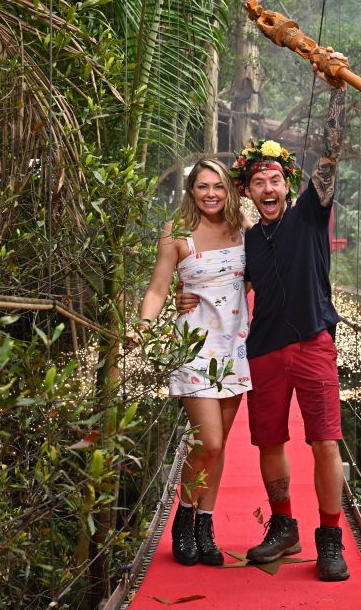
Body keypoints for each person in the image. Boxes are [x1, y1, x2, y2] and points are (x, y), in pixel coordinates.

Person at [178, 50, 350, 581]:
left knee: (324, 441)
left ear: (286, 183)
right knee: (270, 443)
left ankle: (330, 538)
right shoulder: (245, 240)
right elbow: (215, 280)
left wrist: (337, 91)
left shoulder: (310, 216)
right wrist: (185, 299)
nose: (269, 189)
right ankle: (283, 525)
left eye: (276, 180)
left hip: (315, 341)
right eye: (259, 183)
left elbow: (331, 154)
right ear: (248, 193)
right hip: (264, 351)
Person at [136, 158, 252, 567]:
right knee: (210, 442)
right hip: (194, 345)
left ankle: (205, 526)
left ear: (229, 190)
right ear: (191, 191)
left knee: (217, 451)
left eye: (218, 186)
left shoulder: (242, 230)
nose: (211, 194)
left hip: (235, 345)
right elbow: (156, 289)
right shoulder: (177, 233)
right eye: (202, 187)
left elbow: (257, 276)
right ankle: (183, 518)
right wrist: (145, 328)